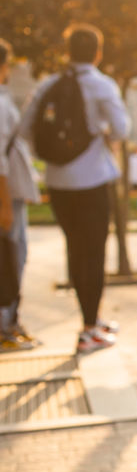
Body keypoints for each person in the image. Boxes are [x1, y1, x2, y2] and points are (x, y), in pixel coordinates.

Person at [18, 23, 129, 354]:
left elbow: (26, 131)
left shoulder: (49, 85)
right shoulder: (101, 85)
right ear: (98, 52)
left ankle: (91, 319)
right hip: (92, 179)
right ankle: (89, 329)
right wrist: (99, 131)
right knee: (93, 253)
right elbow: (122, 129)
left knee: (75, 249)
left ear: (68, 51)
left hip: (59, 183)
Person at [0, 38, 42, 352]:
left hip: (10, 194)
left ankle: (10, 322)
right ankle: (6, 325)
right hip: (7, 196)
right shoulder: (1, 104)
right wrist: (4, 203)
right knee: (12, 258)